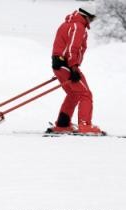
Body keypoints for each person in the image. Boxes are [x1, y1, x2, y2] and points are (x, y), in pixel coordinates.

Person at [50, 2, 103, 134]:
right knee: (85, 94)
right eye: (92, 18)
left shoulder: (68, 24)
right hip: (67, 64)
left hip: (60, 64)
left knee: (74, 94)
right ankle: (85, 126)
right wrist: (73, 67)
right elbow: (73, 48)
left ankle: (63, 125)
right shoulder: (77, 26)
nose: (92, 21)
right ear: (87, 16)